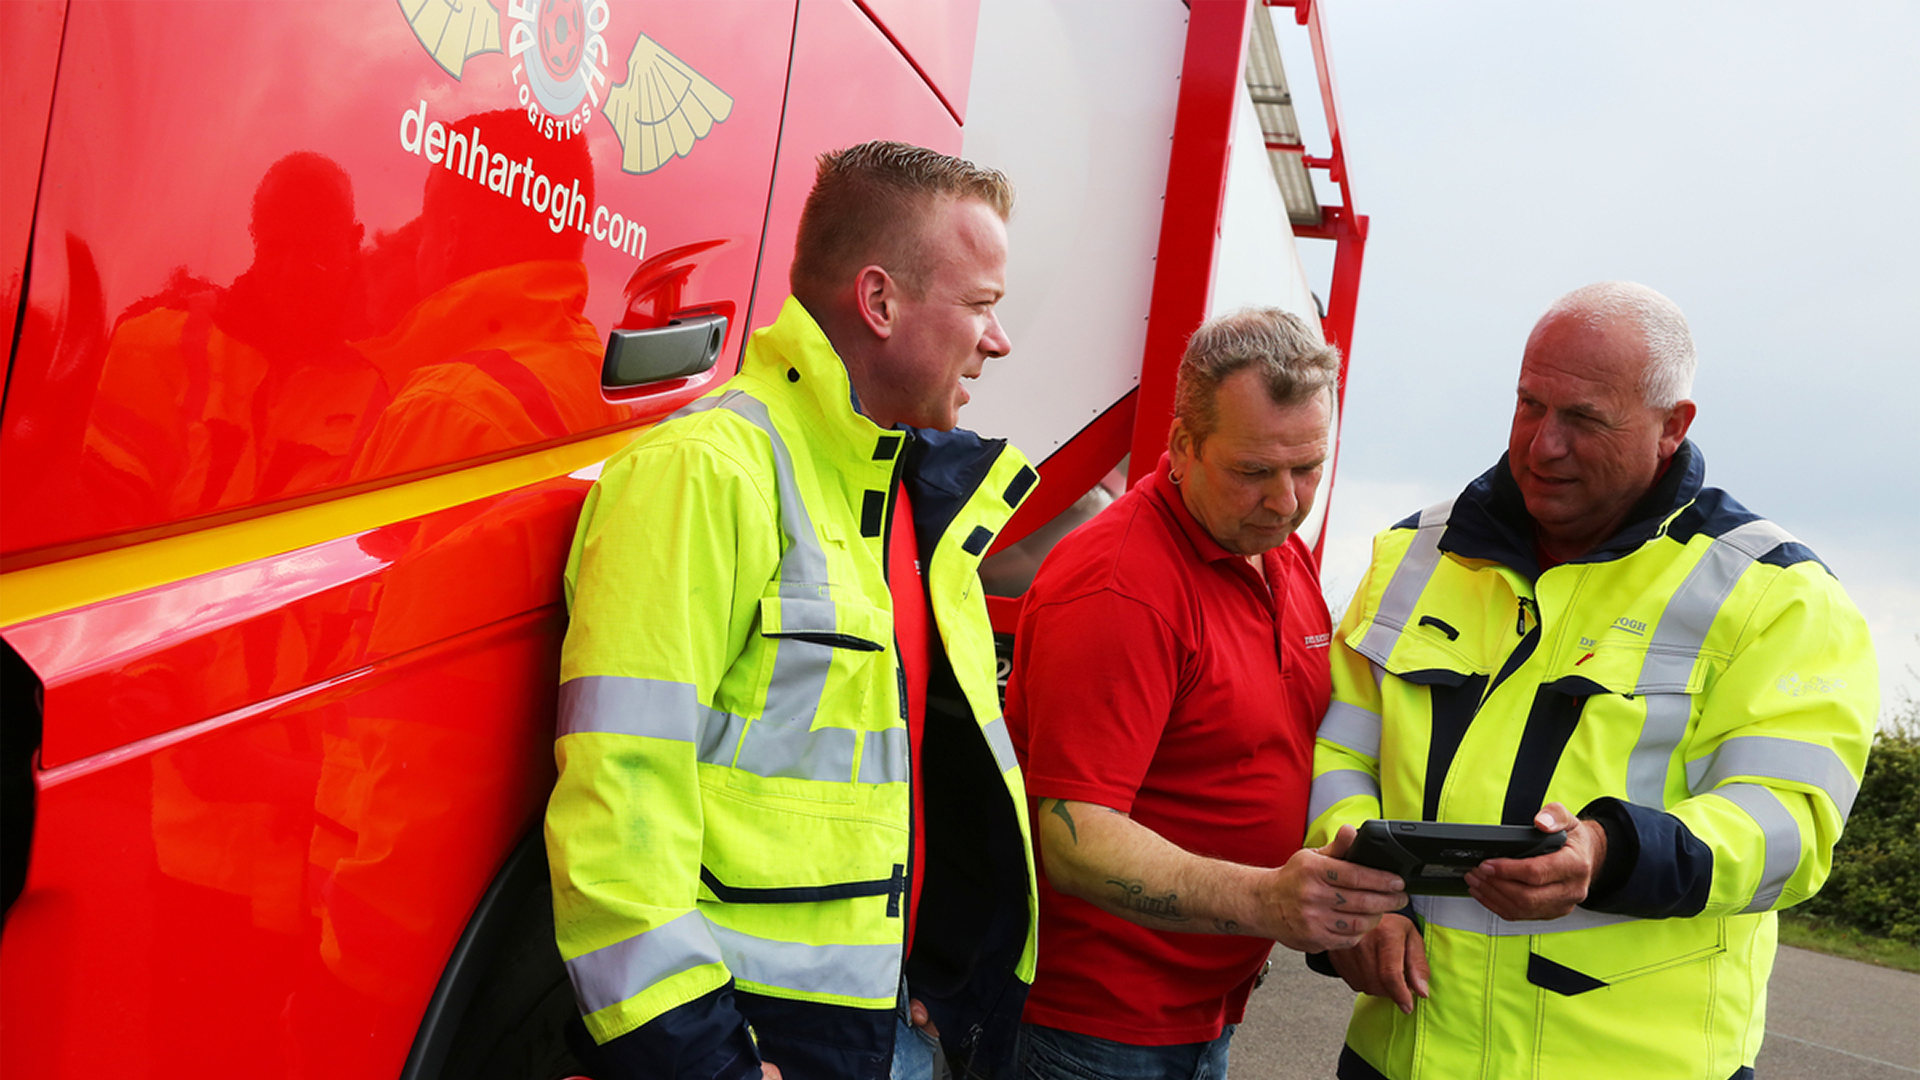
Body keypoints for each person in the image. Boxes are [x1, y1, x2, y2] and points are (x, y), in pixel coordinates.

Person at [546, 141, 1042, 1080]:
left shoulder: (918, 500)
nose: (998, 339)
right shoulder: (706, 472)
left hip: (893, 1030)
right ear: (880, 302)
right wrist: (700, 1064)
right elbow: (618, 814)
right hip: (755, 1046)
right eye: (981, 306)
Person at [1309, 282, 1878, 1080]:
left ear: (1671, 428)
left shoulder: (1777, 596)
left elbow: (1790, 825)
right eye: (1529, 404)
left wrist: (1611, 852)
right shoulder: (1411, 556)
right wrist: (1357, 898)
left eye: (1584, 419)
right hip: (1398, 1055)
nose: (1543, 445)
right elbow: (1339, 755)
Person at [1005, 308, 1410, 1079]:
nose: (1288, 502)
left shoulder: (1276, 554)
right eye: (1255, 471)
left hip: (1206, 1012)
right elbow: (1075, 838)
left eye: (1309, 469)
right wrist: (1268, 902)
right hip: (1098, 1028)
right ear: (1183, 446)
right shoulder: (1121, 585)